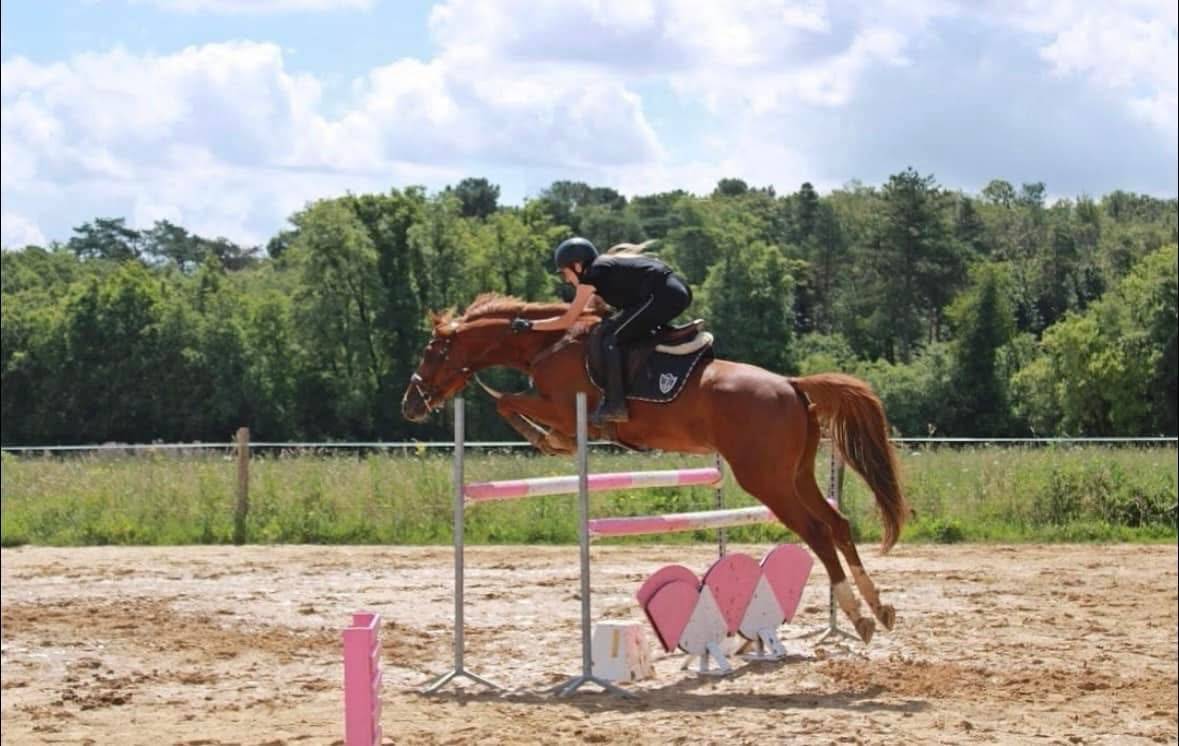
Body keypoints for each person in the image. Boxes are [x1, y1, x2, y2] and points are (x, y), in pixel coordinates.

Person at [511, 237, 693, 425]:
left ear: (577, 266)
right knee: (612, 330)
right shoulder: (602, 271)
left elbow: (567, 319)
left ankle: (615, 405)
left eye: (565, 274)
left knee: (611, 338)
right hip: (674, 291)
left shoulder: (592, 274)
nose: (566, 280)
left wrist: (531, 325)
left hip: (663, 295)